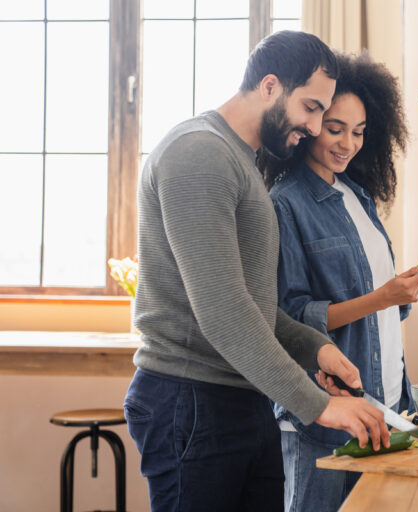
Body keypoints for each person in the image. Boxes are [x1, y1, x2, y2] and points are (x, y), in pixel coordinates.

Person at [123, 31, 390, 512]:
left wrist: (318, 348)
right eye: (309, 108)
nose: (313, 127)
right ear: (269, 87)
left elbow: (254, 306)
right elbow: (223, 312)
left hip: (239, 398)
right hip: (193, 401)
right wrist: (320, 404)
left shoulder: (240, 162)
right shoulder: (200, 154)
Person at [259, 51, 418, 512]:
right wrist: (381, 297)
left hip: (386, 400)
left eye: (358, 131)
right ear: (310, 125)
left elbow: (371, 303)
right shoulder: (285, 204)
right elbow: (291, 318)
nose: (347, 143)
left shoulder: (358, 196)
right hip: (325, 414)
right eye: (334, 129)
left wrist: (413, 287)